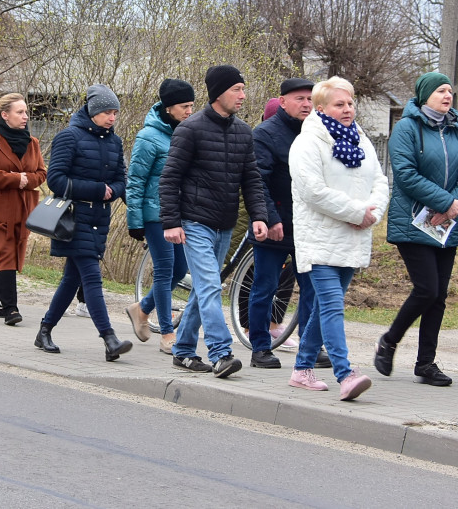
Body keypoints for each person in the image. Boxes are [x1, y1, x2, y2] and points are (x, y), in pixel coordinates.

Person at [160, 65, 269, 378]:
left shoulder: (243, 132)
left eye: (243, 89)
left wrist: (259, 216)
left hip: (225, 224)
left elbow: (252, 179)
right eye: (237, 89)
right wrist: (171, 222)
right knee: (209, 287)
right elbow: (170, 179)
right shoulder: (190, 129)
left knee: (202, 291)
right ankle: (221, 353)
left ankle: (183, 350)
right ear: (218, 93)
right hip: (195, 222)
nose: (243, 95)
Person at [287, 77, 389, 400]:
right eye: (339, 104)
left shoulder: (361, 139)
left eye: (350, 103)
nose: (347, 109)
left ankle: (301, 369)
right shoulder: (307, 143)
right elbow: (314, 192)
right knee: (332, 305)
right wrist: (357, 213)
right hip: (319, 239)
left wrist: (372, 213)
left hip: (352, 239)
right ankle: (345, 374)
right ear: (320, 109)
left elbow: (380, 181)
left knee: (323, 307)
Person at [375, 72, 458, 386]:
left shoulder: (456, 127)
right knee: (427, 289)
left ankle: (426, 363)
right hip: (413, 220)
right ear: (425, 96)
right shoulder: (407, 128)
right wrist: (444, 201)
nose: (447, 96)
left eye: (450, 91)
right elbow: (405, 174)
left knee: (439, 296)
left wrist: (452, 204)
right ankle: (389, 340)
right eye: (440, 91)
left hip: (445, 223)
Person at [34, 84, 132, 361]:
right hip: (74, 219)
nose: (112, 117)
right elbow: (56, 180)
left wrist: (113, 190)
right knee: (91, 276)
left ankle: (44, 330)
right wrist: (97, 190)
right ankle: (109, 339)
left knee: (71, 279)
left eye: (115, 112)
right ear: (92, 111)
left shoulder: (115, 142)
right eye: (107, 112)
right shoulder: (69, 137)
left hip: (100, 218)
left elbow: (121, 179)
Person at [248, 78, 316, 369]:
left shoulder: (317, 132)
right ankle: (260, 347)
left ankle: (310, 348)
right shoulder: (265, 133)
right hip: (274, 226)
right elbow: (257, 181)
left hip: (308, 228)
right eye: (300, 99)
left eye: (310, 99)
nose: (306, 104)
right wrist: (270, 218)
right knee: (265, 287)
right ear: (284, 101)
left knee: (312, 289)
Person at [124, 78, 195, 354]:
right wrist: (135, 221)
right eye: (184, 106)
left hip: (179, 213)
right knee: (165, 271)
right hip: (154, 214)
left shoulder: (186, 133)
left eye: (191, 105)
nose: (189, 111)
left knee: (179, 270)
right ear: (168, 108)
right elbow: (135, 181)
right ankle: (167, 333)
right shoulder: (148, 137)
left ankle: (141, 309)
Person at [0, 93, 47, 325]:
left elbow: (41, 173)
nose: (26, 116)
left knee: (13, 252)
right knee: (5, 251)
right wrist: (17, 179)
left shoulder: (32, 143)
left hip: (24, 206)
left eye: (26, 112)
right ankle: (11, 308)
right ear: (5, 115)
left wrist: (26, 180)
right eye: (20, 112)